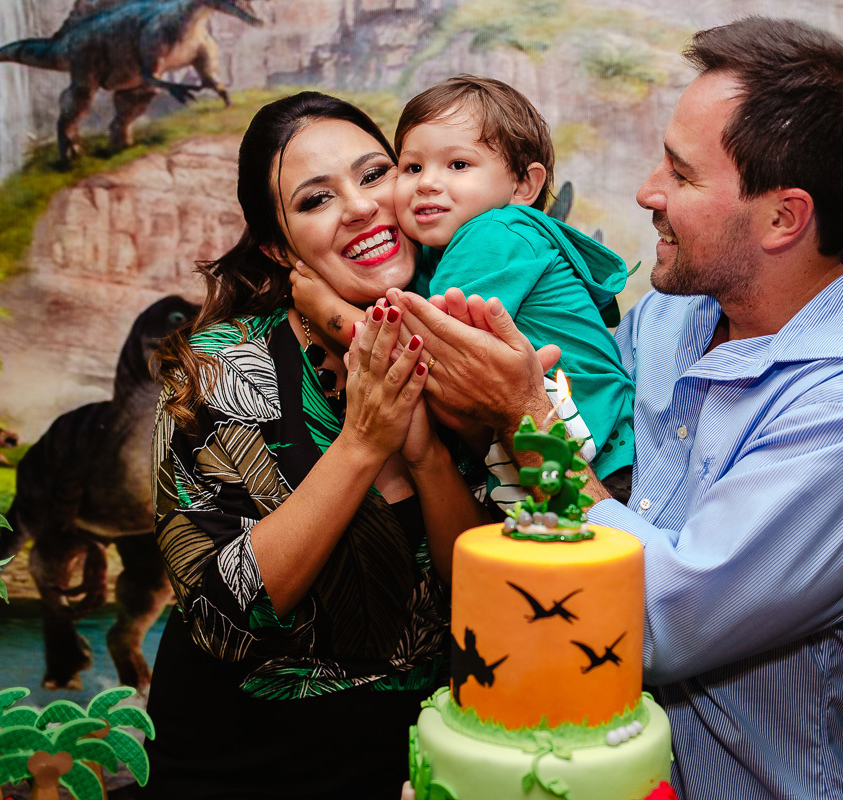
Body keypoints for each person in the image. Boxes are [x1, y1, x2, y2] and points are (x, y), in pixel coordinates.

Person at [385, 18, 843, 800]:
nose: (647, 191)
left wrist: (527, 419)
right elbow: (583, 468)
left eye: (682, 174)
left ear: (782, 217)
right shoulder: (676, 313)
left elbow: (652, 622)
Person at [145, 91, 490, 800]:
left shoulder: (467, 343)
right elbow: (221, 619)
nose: (362, 207)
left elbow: (486, 601)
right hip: (238, 767)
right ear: (279, 246)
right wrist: (363, 443)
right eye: (315, 200)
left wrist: (425, 455)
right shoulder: (222, 369)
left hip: (417, 760)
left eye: (374, 174)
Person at [295, 75, 635, 507]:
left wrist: (327, 309)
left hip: (596, 464)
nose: (426, 183)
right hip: (552, 456)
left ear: (523, 186)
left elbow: (428, 355)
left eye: (457, 165)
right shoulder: (439, 253)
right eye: (412, 167)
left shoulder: (495, 234)